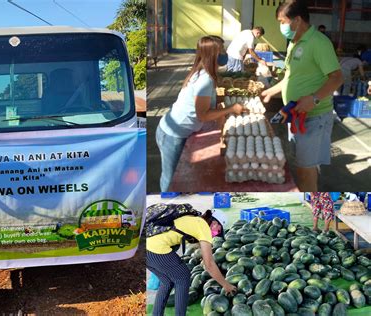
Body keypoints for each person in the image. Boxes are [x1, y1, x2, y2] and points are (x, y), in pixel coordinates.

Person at [261, 0, 343, 191]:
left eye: (283, 22)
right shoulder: (294, 43)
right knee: (303, 167)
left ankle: (312, 206)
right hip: (296, 114)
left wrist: (314, 98)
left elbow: (337, 77)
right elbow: (291, 77)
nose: (281, 27)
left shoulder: (319, 43)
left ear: (297, 20)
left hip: (314, 117)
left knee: (306, 170)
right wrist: (270, 91)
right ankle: (309, 195)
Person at [156, 36, 247, 192]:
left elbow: (204, 103)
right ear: (213, 54)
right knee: (171, 180)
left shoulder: (203, 71)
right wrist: (230, 109)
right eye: (222, 51)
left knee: (174, 177)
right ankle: (166, 205)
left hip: (176, 130)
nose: (225, 54)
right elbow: (202, 115)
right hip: (172, 134)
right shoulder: (204, 79)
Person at [146, 209, 236, 316]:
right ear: (215, 222)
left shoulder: (196, 219)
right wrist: (226, 285)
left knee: (167, 282)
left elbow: (197, 244)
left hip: (146, 248)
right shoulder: (204, 227)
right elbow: (210, 265)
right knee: (183, 278)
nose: (217, 234)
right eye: (219, 230)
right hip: (156, 249)